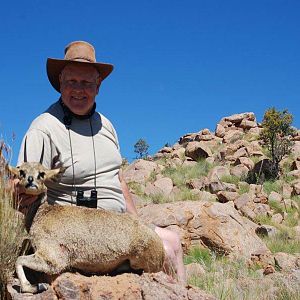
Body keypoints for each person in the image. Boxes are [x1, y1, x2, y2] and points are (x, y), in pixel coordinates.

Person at [16, 41, 186, 284]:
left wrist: (137, 222)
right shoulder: (43, 128)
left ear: (98, 86)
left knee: (172, 243)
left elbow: (118, 180)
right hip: (74, 232)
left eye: (86, 83)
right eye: (71, 82)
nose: (78, 89)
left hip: (116, 227)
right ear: (60, 84)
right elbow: (23, 185)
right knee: (162, 253)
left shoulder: (106, 126)